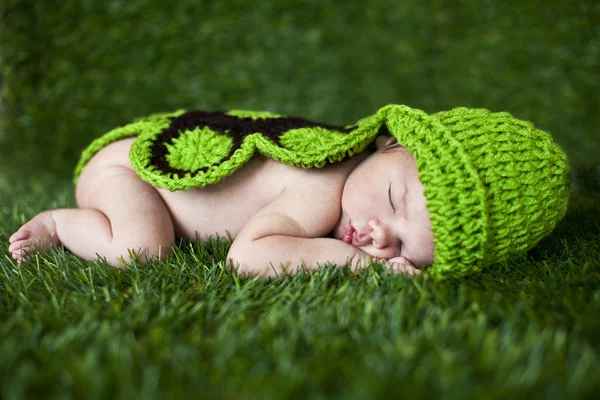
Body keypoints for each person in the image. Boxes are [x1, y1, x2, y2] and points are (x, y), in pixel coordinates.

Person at [7, 105, 571, 279]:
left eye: (402, 248)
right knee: (142, 250)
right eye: (395, 204)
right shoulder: (324, 181)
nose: (379, 233)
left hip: (138, 165)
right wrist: (360, 265)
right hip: (128, 174)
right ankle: (63, 224)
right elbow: (247, 255)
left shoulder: (360, 184)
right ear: (388, 143)